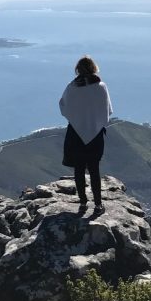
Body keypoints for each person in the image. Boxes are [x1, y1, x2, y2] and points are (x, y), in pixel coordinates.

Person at [59, 56, 113, 211]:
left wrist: (78, 116)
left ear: (78, 70)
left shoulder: (72, 87)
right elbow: (107, 109)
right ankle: (98, 203)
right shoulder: (101, 86)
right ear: (94, 68)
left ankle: (82, 202)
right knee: (94, 168)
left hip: (75, 132)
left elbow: (63, 106)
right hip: (95, 134)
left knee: (79, 168)